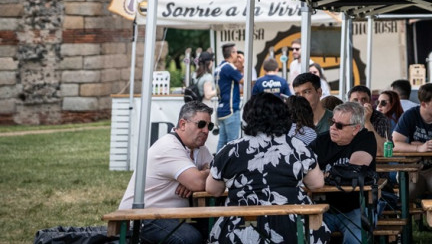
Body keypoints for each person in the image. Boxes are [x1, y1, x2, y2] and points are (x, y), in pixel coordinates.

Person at [206, 93, 329, 244]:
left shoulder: (232, 149)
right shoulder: (297, 147)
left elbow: (213, 190)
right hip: (293, 226)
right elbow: (316, 183)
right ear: (284, 117)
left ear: (248, 116)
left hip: (241, 227)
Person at [118, 101, 215, 244]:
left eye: (209, 126)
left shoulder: (200, 149)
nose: (206, 131)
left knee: (218, 227)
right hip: (142, 217)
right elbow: (199, 182)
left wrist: (202, 171)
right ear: (182, 124)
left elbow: (218, 172)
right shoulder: (169, 147)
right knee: (190, 239)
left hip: (171, 215)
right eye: (201, 124)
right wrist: (200, 176)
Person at [311, 102, 377, 244]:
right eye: (332, 122)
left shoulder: (365, 138)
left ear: (356, 129)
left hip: (356, 208)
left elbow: (354, 170)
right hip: (324, 208)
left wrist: (324, 175)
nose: (333, 128)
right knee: (305, 236)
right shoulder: (321, 141)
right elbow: (304, 169)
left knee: (356, 239)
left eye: (339, 125)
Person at [348, 84, 391, 153]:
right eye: (355, 100)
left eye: (364, 99)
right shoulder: (344, 117)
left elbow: (381, 150)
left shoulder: (380, 118)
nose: (360, 103)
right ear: (349, 102)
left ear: (370, 101)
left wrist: (367, 121)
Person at [215, 43, 243, 149]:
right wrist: (243, 63)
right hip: (231, 109)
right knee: (233, 143)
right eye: (236, 52)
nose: (237, 54)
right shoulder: (229, 67)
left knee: (222, 142)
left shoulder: (219, 67)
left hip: (222, 109)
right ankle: (230, 165)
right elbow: (244, 81)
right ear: (232, 53)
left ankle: (217, 164)